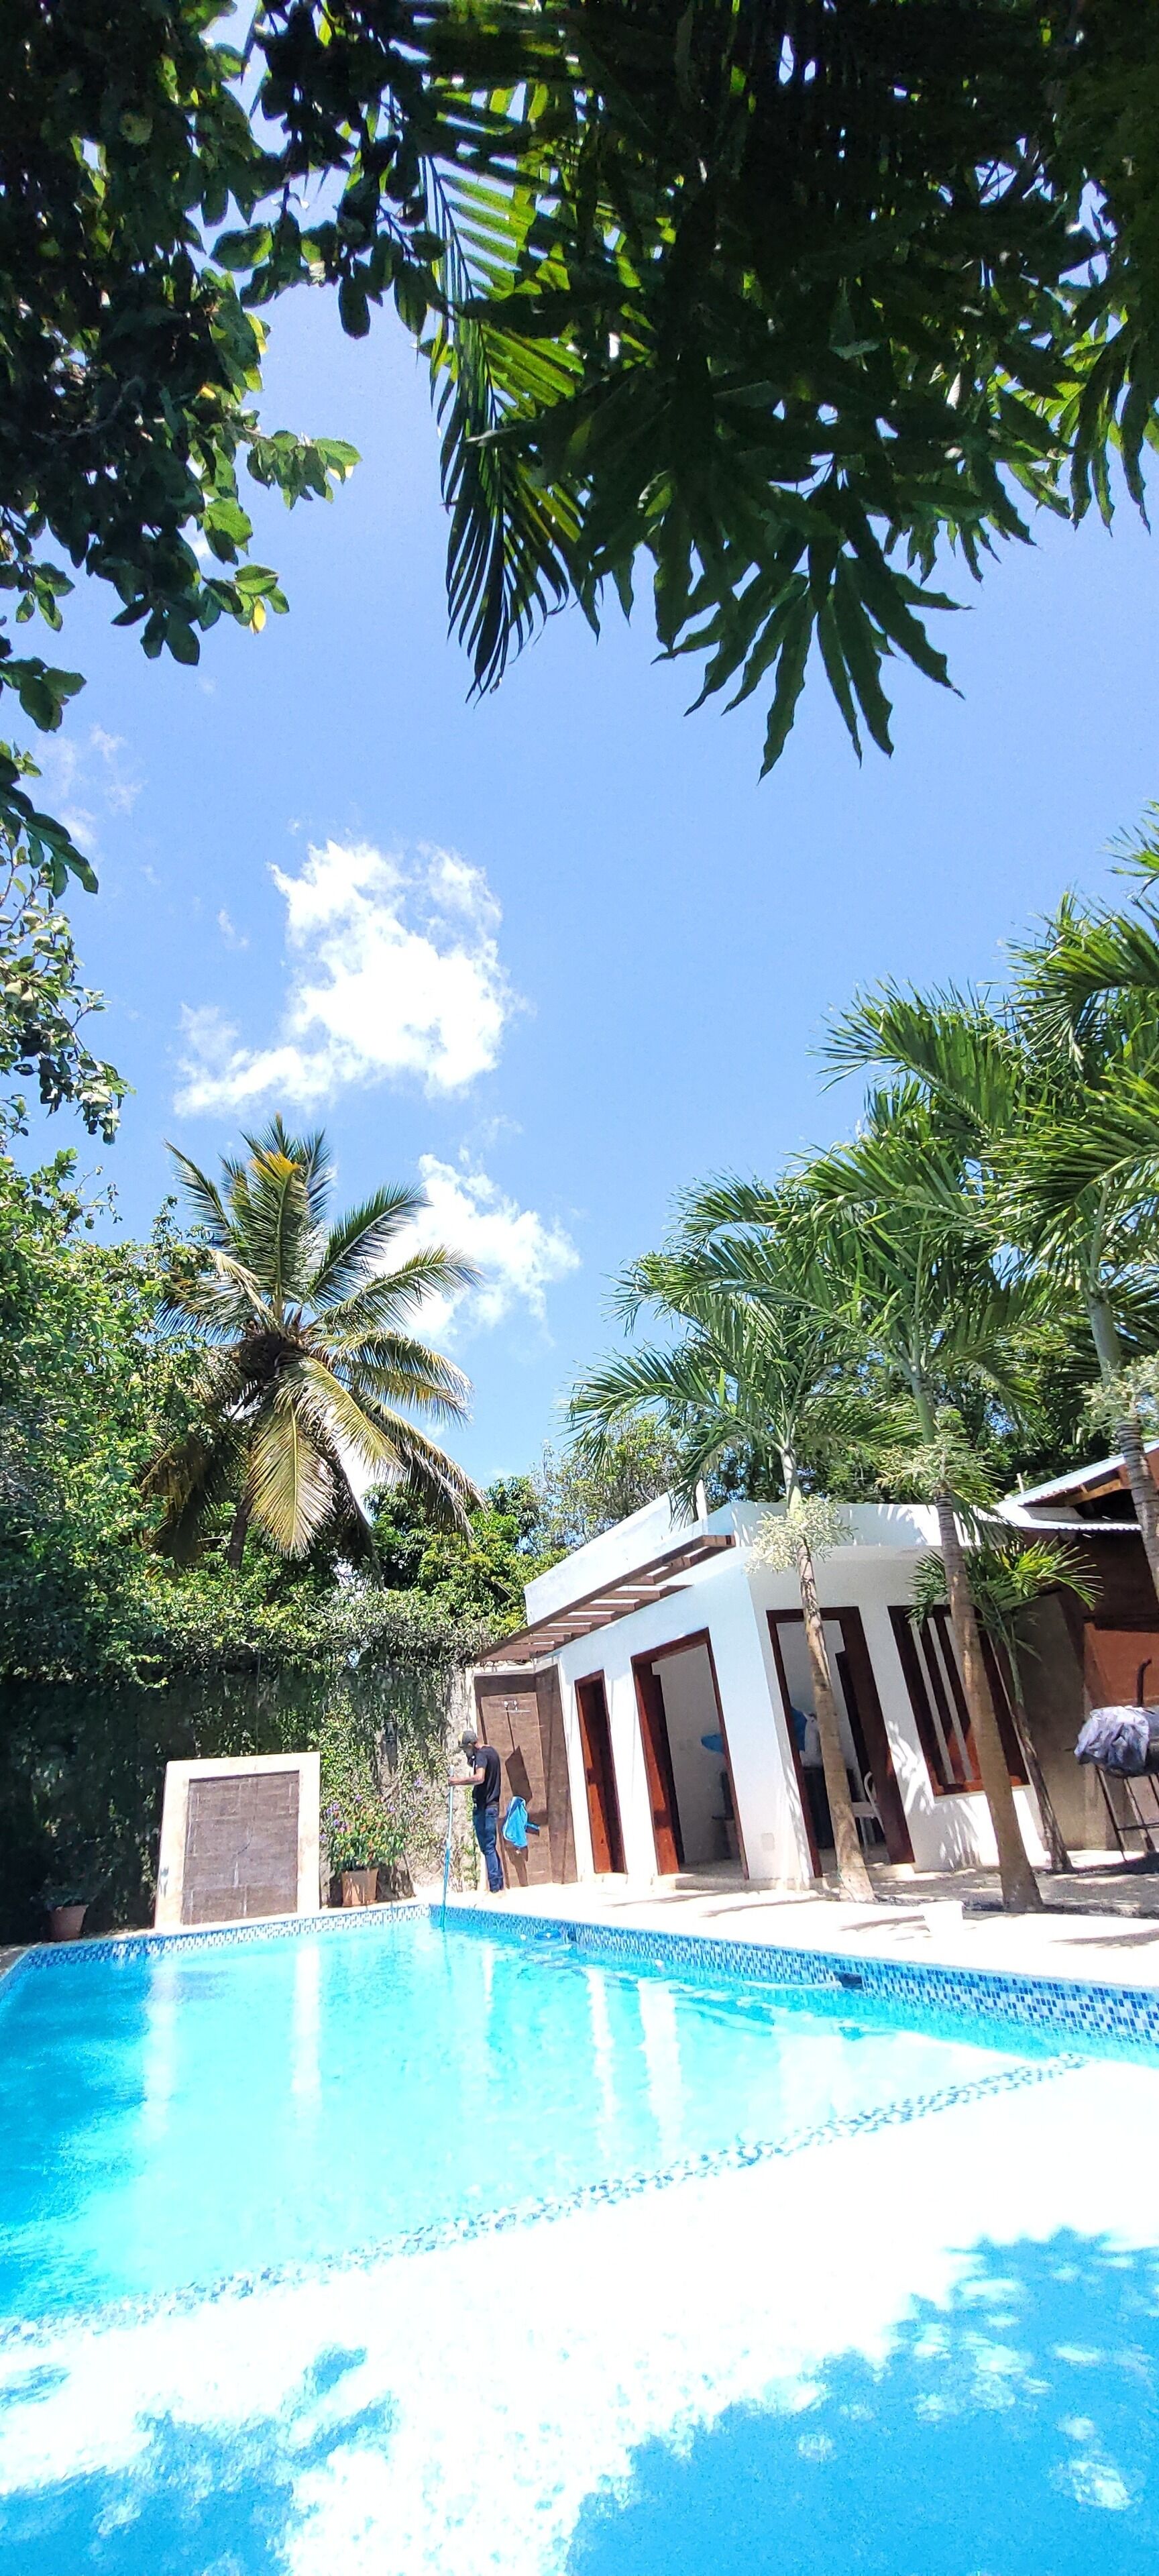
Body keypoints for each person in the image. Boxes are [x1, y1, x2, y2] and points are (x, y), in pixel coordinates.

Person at [456, 1729, 504, 1894]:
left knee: (488, 1848)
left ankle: (495, 1889)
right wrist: (472, 1759)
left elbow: (480, 1777)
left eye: (465, 1749)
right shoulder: (491, 1752)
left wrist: (458, 1782)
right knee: (490, 1847)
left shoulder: (482, 1755)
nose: (465, 1752)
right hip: (492, 1806)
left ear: (471, 1745)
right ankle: (499, 1884)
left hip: (485, 1808)